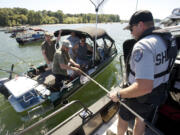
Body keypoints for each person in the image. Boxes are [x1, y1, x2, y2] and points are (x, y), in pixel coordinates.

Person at [108, 10, 177, 135]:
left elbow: (143, 87)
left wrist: (119, 94)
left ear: (140, 25)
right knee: (141, 120)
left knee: (123, 118)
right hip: (156, 93)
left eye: (131, 29)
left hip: (138, 95)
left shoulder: (143, 46)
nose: (131, 33)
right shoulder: (166, 39)